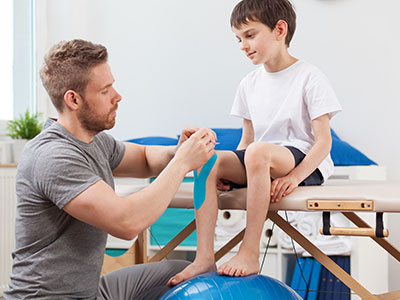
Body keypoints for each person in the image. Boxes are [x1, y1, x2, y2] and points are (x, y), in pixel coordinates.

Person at [4, 39, 216, 300]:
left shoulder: (93, 140)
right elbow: (126, 222)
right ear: (73, 99)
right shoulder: (52, 156)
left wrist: (179, 151)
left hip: (90, 292)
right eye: (105, 90)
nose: (118, 96)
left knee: (184, 272)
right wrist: (183, 162)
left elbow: (146, 159)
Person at [168, 0, 342, 286]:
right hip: (261, 159)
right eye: (238, 39)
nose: (242, 45)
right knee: (207, 157)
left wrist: (296, 177)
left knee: (258, 151)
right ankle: (203, 258)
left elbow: (323, 143)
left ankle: (249, 252)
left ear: (280, 30)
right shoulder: (249, 84)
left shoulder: (310, 76)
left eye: (249, 35)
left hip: (304, 160)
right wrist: (226, 173)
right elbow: (246, 142)